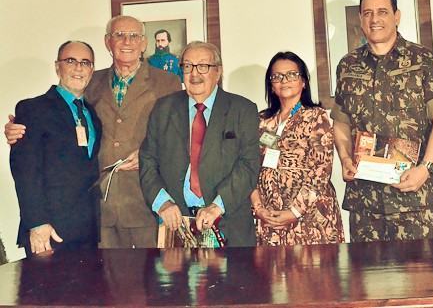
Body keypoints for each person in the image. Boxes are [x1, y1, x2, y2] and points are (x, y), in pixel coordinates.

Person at [5, 15, 182, 248]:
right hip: (97, 212)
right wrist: (18, 131)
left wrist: (149, 153)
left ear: (144, 43)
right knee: (98, 283)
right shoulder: (91, 81)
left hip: (144, 204)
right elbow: (54, 121)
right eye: (119, 35)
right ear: (108, 42)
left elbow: (178, 134)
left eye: (134, 36)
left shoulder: (167, 82)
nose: (126, 42)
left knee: (146, 282)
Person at [331, 0, 433, 242]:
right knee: (368, 280)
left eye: (382, 12)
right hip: (365, 204)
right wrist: (344, 159)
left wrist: (426, 167)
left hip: (414, 200)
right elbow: (341, 122)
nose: (374, 19)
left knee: (422, 281)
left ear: (397, 16)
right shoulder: (348, 65)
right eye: (367, 13)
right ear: (360, 19)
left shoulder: (424, 60)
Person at [139, 41, 260, 246]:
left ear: (218, 71)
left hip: (227, 224)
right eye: (188, 66)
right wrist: (162, 203)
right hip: (176, 225)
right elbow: (148, 159)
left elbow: (248, 165)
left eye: (203, 66)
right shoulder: (163, 108)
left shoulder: (243, 109)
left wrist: (217, 206)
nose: (194, 73)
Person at [10, 41, 102, 255]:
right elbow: (25, 170)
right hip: (48, 231)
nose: (78, 68)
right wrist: (37, 223)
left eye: (85, 62)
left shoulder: (92, 115)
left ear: (92, 70)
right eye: (70, 61)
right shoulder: (33, 109)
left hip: (86, 232)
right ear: (57, 67)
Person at [250, 51, 344, 246]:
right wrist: (258, 208)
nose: (284, 80)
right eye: (277, 76)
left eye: (292, 75)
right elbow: (249, 166)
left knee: (310, 275)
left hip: (309, 217)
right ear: (271, 85)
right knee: (272, 274)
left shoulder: (316, 116)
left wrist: (294, 212)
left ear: (303, 82)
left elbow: (321, 170)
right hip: (269, 216)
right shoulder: (260, 120)